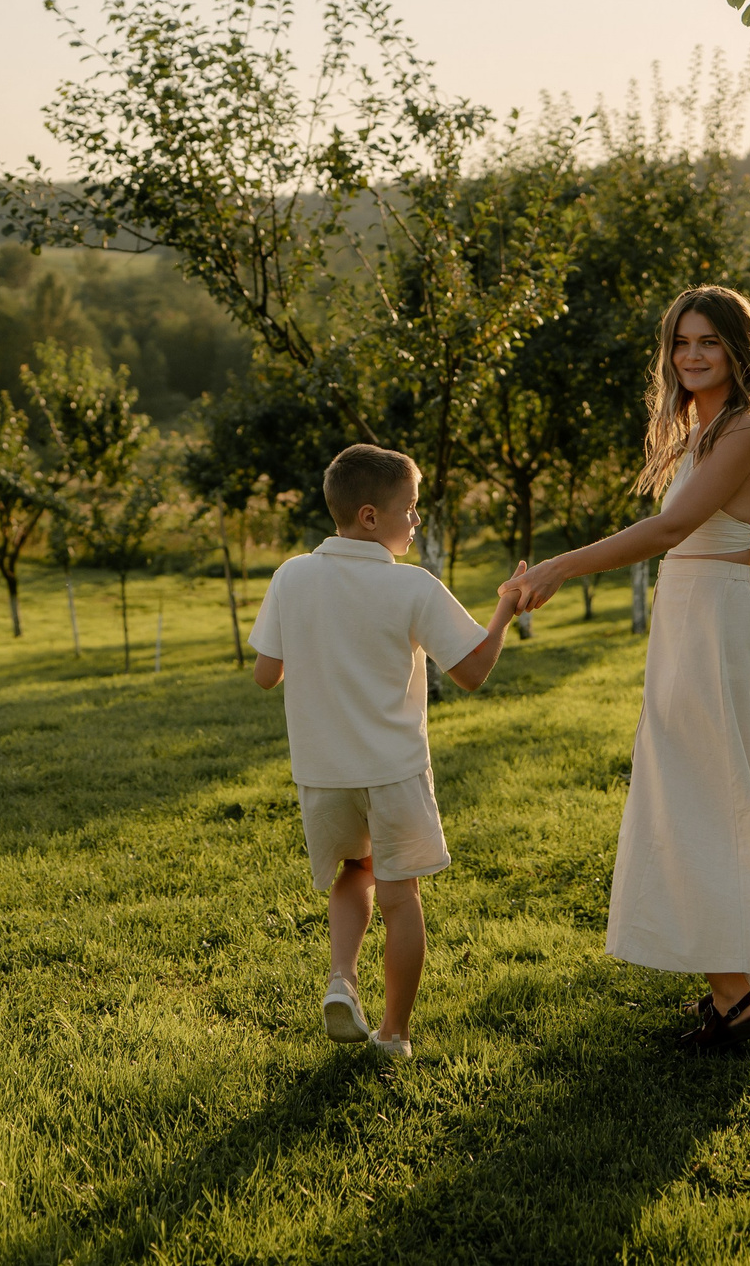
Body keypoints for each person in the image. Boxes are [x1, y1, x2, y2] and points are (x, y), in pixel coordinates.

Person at [503, 286, 750, 1049]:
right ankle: (728, 993)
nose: (692, 355)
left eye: (708, 341)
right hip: (686, 620)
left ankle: (738, 1001)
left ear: (739, 349)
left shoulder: (744, 430)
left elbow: (673, 527)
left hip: (714, 623)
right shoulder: (701, 429)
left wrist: (562, 566)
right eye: (682, 342)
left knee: (704, 799)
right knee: (684, 796)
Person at [249, 444, 523, 1059]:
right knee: (401, 897)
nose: (416, 521)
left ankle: (342, 979)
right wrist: (504, 608)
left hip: (322, 774)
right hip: (393, 772)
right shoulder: (412, 588)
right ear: (371, 517)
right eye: (411, 509)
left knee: (355, 871)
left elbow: (267, 673)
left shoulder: (291, 574)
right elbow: (473, 671)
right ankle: (394, 1035)